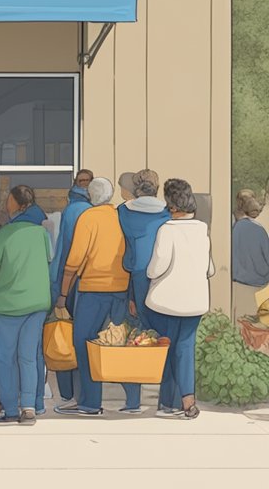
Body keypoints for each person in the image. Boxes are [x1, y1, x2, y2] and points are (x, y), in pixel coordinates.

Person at [56, 177, 139, 416]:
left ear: (91, 197)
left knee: (85, 343)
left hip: (93, 290)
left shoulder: (88, 218)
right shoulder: (122, 217)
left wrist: (63, 293)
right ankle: (132, 400)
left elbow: (74, 261)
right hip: (122, 289)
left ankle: (91, 402)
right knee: (120, 343)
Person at [0, 185, 52, 426]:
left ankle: (11, 410)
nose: (5, 203)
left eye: (8, 200)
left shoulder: (5, 233)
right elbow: (48, 258)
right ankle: (30, 407)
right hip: (37, 303)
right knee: (29, 357)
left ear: (17, 204)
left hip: (8, 304)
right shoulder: (40, 233)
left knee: (6, 358)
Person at [146, 178, 215, 420]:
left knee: (167, 348)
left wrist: (150, 273)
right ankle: (186, 400)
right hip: (195, 301)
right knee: (185, 348)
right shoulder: (202, 230)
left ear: (172, 205)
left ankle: (170, 402)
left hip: (167, 300)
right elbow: (210, 269)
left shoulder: (167, 230)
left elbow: (155, 268)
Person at [117, 168, 171, 413]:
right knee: (166, 337)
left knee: (133, 337)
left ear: (136, 188)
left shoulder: (123, 213)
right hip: (163, 279)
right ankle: (166, 401)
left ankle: (132, 401)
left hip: (136, 279)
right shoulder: (167, 213)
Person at [51, 169, 94, 404]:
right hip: (81, 281)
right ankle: (79, 394)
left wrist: (59, 287)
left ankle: (68, 392)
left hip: (68, 279)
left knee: (65, 334)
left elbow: (63, 250)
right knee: (81, 337)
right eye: (82, 181)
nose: (85, 185)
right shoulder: (88, 211)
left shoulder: (70, 209)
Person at [231, 190, 269, 319]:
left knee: (240, 323)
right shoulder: (259, 230)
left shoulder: (234, 229)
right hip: (260, 286)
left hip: (239, 285)